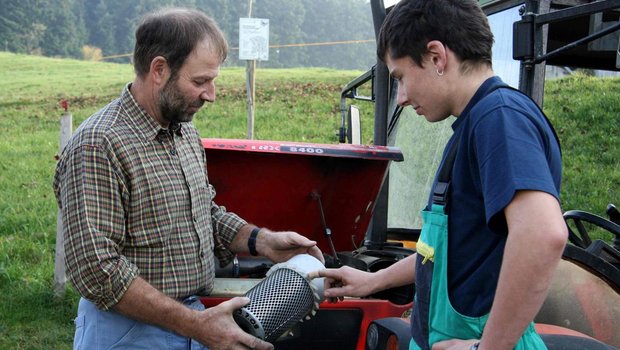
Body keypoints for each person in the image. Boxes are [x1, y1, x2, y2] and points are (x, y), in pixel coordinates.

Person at [53, 7, 323, 350]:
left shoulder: (183, 133)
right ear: (159, 70)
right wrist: (197, 325)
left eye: (212, 80)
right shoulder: (99, 145)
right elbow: (97, 271)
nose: (210, 94)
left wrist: (263, 241)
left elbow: (203, 214)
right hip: (127, 334)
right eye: (199, 82)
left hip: (190, 321)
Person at [309, 1, 567, 349]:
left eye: (400, 77)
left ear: (436, 57)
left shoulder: (500, 118)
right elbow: (448, 251)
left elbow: (543, 234)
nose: (400, 97)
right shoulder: (472, 125)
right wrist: (373, 281)